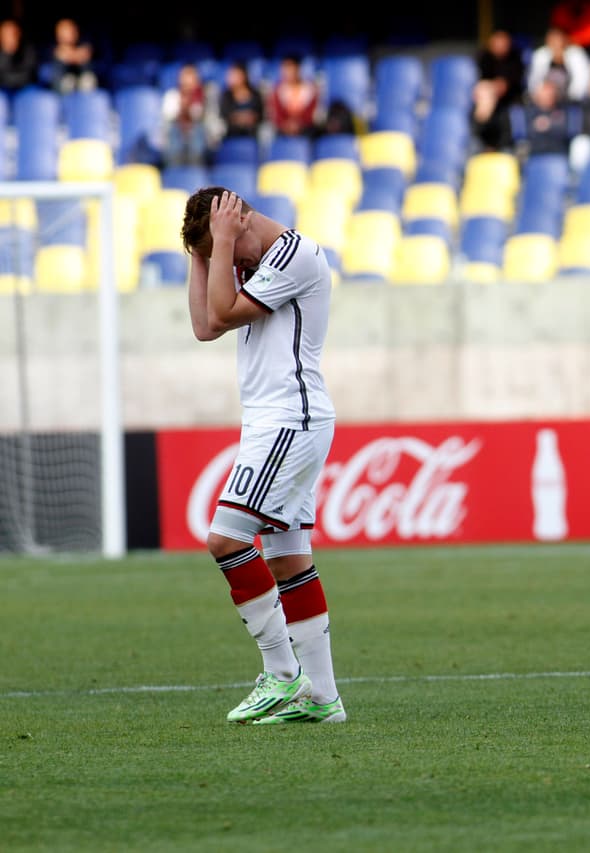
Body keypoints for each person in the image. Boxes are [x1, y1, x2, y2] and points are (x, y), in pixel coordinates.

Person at [181, 186, 345, 725]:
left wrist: (223, 240)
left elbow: (222, 310)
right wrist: (203, 251)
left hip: (289, 419)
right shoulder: (246, 254)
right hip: (272, 421)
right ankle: (322, 696)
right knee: (288, 558)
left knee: (225, 539)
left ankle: (281, 673)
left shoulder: (296, 254)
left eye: (230, 246)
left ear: (243, 220)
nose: (235, 262)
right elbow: (205, 326)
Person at [162, 62, 213, 168]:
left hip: (198, 133)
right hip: (176, 132)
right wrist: (181, 109)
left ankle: (196, 171)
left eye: (191, 76)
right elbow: (168, 118)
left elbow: (201, 118)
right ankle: (174, 171)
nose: (187, 81)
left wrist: (189, 108)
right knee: (173, 132)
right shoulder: (172, 95)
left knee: (198, 132)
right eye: (185, 76)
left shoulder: (204, 96)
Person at [528, 26, 590, 104]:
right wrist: (542, 96)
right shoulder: (541, 55)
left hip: (569, 100)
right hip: (544, 100)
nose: (556, 43)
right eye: (553, 40)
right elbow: (534, 80)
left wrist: (572, 97)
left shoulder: (576, 54)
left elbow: (582, 80)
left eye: (559, 39)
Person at [269, 55, 318, 138]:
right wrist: (286, 125)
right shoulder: (278, 90)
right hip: (283, 129)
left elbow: (311, 113)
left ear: (298, 69)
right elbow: (277, 114)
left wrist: (299, 124)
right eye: (286, 69)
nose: (289, 72)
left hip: (305, 128)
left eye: (291, 68)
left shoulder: (310, 88)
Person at [217, 60, 265, 144]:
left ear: (244, 75)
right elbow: (224, 114)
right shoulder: (226, 95)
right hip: (231, 132)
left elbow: (260, 114)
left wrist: (250, 118)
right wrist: (240, 118)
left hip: (252, 132)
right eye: (231, 75)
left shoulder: (255, 94)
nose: (231, 77)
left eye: (235, 75)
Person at [523, 78, 572, 157]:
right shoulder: (529, 112)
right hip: (534, 153)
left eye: (550, 93)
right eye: (545, 93)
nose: (548, 96)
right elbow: (525, 133)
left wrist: (549, 125)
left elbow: (566, 131)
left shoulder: (563, 111)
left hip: (558, 154)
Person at [47, 16, 96, 94]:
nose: (70, 34)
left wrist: (76, 57)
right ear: (58, 33)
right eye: (66, 31)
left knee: (88, 80)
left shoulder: (84, 46)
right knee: (68, 82)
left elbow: (89, 73)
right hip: (59, 94)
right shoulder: (50, 51)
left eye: (72, 30)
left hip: (83, 94)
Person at [0, 18, 38, 95]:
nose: (12, 37)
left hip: (26, 90)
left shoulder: (29, 50)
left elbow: (29, 75)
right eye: (7, 34)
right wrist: (7, 54)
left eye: (14, 33)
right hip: (3, 92)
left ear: (19, 33)